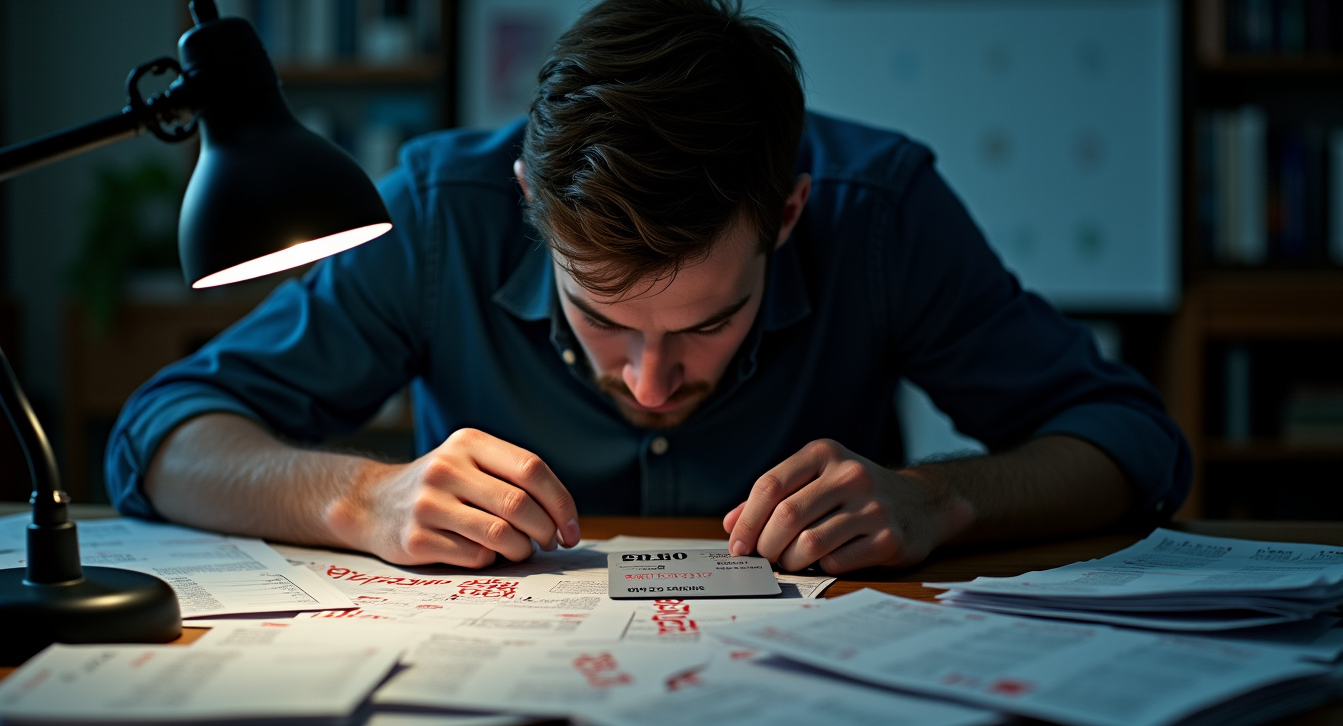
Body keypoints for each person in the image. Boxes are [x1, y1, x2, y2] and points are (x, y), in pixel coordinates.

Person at [106, 0, 1190, 575]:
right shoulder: (443, 213)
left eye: (712, 321)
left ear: (791, 213)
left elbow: (1133, 443)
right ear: (529, 202)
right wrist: (360, 498)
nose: (655, 381)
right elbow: (158, 436)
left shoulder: (881, 213)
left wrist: (944, 498)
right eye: (602, 318)